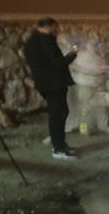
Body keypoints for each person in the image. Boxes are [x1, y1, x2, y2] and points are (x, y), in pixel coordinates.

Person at [22, 17, 79, 159]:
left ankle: (60, 144)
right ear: (47, 26)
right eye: (55, 27)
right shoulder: (45, 41)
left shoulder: (31, 42)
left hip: (45, 83)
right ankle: (58, 148)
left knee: (60, 112)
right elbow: (58, 63)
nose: (57, 30)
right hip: (54, 83)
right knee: (58, 114)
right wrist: (73, 54)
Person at [67, 37, 109, 135]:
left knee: (102, 105)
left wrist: (106, 71)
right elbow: (71, 67)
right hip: (85, 84)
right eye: (92, 45)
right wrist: (88, 72)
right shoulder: (79, 56)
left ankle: (103, 125)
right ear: (87, 46)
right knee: (84, 107)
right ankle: (84, 128)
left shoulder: (101, 57)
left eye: (96, 46)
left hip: (99, 84)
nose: (94, 48)